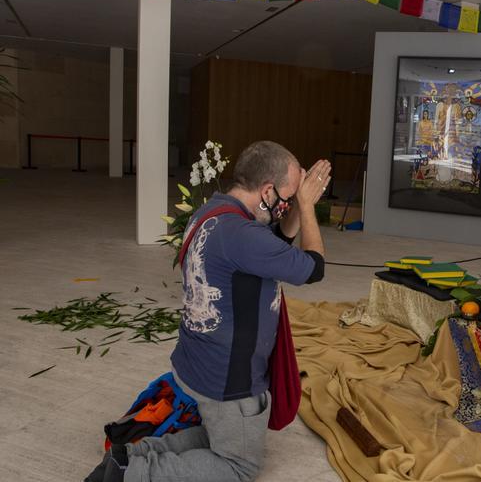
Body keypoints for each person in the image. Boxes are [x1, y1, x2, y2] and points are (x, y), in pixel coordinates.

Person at [88, 141, 332, 482]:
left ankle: (128, 454)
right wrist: (307, 207)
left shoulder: (214, 212)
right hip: (229, 382)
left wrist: (292, 203)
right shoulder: (243, 236)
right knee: (239, 466)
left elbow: (275, 237)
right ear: (266, 191)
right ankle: (133, 473)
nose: (286, 206)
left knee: (218, 437)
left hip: (197, 367)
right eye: (285, 198)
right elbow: (314, 268)